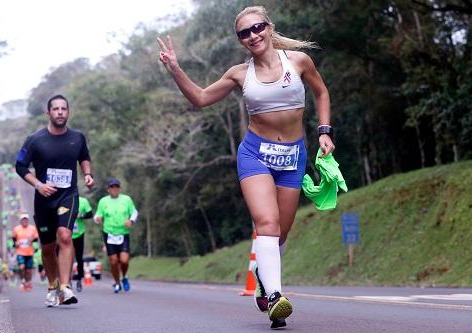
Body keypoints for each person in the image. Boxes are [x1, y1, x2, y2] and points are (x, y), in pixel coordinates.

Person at [157, 5, 334, 329]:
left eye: (257, 28)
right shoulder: (240, 73)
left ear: (268, 27)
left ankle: (262, 276)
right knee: (266, 223)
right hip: (255, 154)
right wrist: (175, 69)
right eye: (244, 33)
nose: (253, 35)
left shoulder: (298, 62)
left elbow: (321, 93)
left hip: (293, 156)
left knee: (280, 233)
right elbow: (199, 97)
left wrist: (324, 131)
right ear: (240, 40)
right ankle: (275, 297)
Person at [15, 94, 94, 306]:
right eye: (56, 109)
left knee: (65, 235)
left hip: (68, 194)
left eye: (64, 109)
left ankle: (65, 287)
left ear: (68, 112)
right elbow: (20, 166)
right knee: (48, 247)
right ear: (48, 113)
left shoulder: (77, 137)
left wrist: (87, 174)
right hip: (44, 199)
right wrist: (38, 185)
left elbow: (84, 157)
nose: (60, 112)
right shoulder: (35, 139)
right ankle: (52, 285)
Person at [94, 178, 138, 293]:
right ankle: (117, 283)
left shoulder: (126, 199)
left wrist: (131, 221)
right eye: (112, 187)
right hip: (109, 234)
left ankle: (124, 277)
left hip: (123, 233)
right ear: (108, 189)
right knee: (113, 261)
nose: (115, 189)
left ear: (120, 188)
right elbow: (97, 215)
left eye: (117, 187)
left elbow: (134, 212)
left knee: (124, 260)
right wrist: (97, 219)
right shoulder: (103, 201)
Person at [12, 212, 39, 291]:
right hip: (20, 252)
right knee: (21, 266)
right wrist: (15, 243)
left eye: (26, 220)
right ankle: (22, 281)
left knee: (29, 270)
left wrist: (32, 241)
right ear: (21, 221)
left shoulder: (32, 228)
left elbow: (36, 239)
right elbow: (13, 239)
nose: (25, 221)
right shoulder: (16, 229)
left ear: (28, 220)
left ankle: (28, 282)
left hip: (29, 252)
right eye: (23, 220)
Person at [72, 196, 93, 292]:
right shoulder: (63, 198)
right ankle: (66, 281)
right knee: (66, 257)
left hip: (79, 233)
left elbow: (90, 214)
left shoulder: (83, 201)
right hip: (65, 234)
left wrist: (81, 216)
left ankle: (79, 279)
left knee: (79, 258)